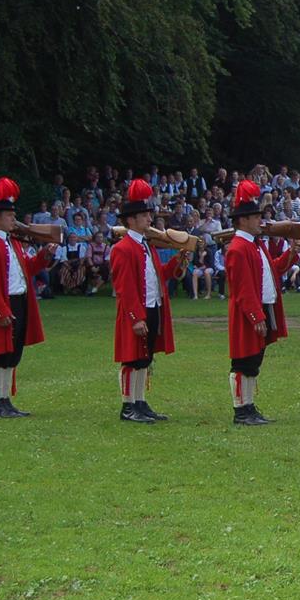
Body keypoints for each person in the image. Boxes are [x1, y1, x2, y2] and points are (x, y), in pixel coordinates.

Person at [0, 179, 53, 418]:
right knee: (0, 355)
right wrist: (0, 311)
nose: (13, 218)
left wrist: (43, 256)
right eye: (8, 214)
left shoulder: (13, 242)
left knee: (13, 353)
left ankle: (6, 400)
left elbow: (26, 269)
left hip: (19, 300)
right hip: (3, 304)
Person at [111, 179, 185, 423]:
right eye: (144, 216)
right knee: (132, 359)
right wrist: (136, 317)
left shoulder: (146, 246)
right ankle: (128, 405)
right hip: (137, 311)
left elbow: (158, 275)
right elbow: (125, 287)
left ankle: (140, 402)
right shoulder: (123, 248)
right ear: (131, 220)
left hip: (153, 306)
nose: (149, 220)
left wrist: (177, 261)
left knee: (145, 357)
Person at [224, 179, 296, 425]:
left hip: (261, 307)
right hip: (249, 312)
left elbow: (272, 271)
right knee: (244, 361)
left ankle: (248, 405)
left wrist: (292, 251)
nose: (260, 221)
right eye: (256, 217)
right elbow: (243, 289)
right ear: (243, 220)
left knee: (254, 360)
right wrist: (256, 316)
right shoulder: (238, 248)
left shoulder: (254, 245)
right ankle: (241, 409)